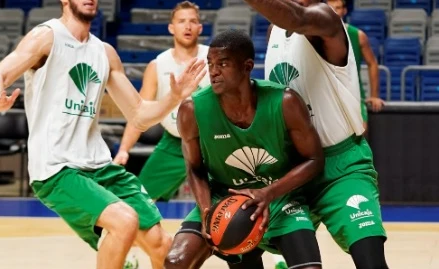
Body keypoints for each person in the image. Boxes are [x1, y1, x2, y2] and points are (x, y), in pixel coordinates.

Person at [0, 1, 207, 269]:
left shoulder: (105, 52)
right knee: (124, 220)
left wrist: (174, 96)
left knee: (164, 249)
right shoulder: (47, 37)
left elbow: (139, 115)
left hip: (100, 166)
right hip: (58, 168)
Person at [244, 0, 389, 268]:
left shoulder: (327, 19)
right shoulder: (273, 30)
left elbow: (296, 18)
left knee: (371, 261)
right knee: (240, 237)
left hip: (340, 167)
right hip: (292, 168)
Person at [164, 29, 325, 269]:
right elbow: (195, 168)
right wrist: (208, 210)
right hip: (222, 198)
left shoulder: (285, 101)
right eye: (210, 63)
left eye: (223, 63)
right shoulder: (192, 110)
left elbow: (314, 159)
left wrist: (268, 193)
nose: (214, 71)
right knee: (175, 262)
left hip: (279, 198)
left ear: (247, 66)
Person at [113, 1, 210, 201]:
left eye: (193, 21)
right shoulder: (157, 65)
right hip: (174, 142)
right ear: (171, 28)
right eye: (182, 21)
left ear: (200, 27)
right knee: (138, 199)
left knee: (227, 201)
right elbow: (138, 113)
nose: (188, 26)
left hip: (211, 142)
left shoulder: (213, 57)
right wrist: (123, 149)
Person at [327, 0, 384, 131]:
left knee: (360, 132)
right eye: (331, 8)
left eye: (338, 7)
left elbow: (372, 63)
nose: (334, 11)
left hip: (353, 94)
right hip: (327, 94)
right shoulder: (316, 36)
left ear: (344, 10)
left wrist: (374, 95)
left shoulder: (358, 36)